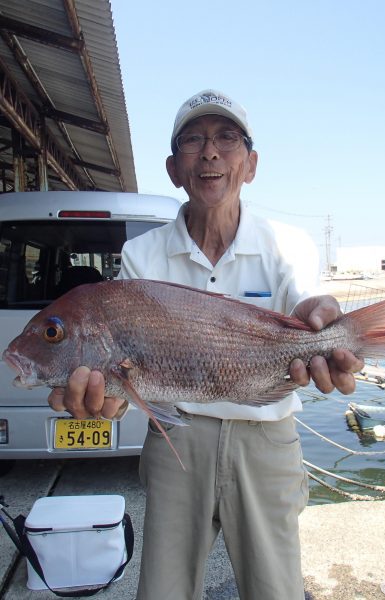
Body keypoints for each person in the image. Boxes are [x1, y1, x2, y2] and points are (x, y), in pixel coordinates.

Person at [48, 89, 363, 600]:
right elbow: (128, 375)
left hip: (266, 440)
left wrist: (326, 323)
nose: (210, 153)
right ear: (174, 169)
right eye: (193, 141)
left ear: (251, 164)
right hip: (179, 442)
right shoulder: (140, 255)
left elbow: (307, 296)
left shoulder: (287, 244)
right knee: (163, 590)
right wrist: (105, 403)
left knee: (275, 590)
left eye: (227, 139)